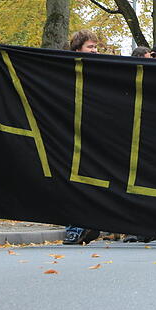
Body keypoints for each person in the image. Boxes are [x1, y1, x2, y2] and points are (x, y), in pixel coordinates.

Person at [63, 29, 105, 246]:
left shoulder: (102, 70)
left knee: (93, 178)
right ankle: (74, 226)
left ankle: (90, 222)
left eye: (96, 47)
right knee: (73, 179)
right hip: (71, 134)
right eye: (90, 47)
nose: (95, 50)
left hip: (94, 134)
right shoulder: (66, 69)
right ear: (78, 48)